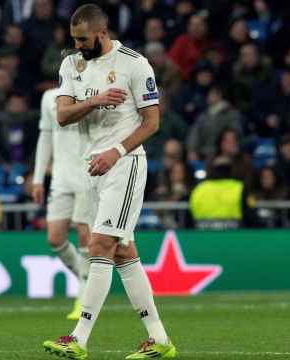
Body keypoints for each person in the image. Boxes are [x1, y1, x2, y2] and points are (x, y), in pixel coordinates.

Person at [43, 5, 176, 359]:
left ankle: (79, 338)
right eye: (73, 39)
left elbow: (152, 123)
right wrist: (97, 99)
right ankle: (159, 339)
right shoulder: (72, 64)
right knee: (122, 252)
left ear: (101, 33)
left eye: (82, 39)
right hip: (93, 167)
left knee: (100, 244)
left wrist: (116, 151)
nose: (77, 45)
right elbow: (63, 115)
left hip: (125, 164)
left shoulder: (134, 63)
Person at [32, 86, 90, 320]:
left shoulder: (91, 91)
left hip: (89, 175)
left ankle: (84, 300)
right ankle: (90, 282)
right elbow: (45, 136)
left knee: (86, 239)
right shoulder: (49, 97)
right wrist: (37, 179)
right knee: (55, 238)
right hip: (61, 178)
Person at [189, 156, 256, 229]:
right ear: (231, 169)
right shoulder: (240, 187)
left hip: (203, 234)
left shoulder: (199, 188)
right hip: (233, 235)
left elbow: (190, 212)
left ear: (213, 169)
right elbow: (251, 215)